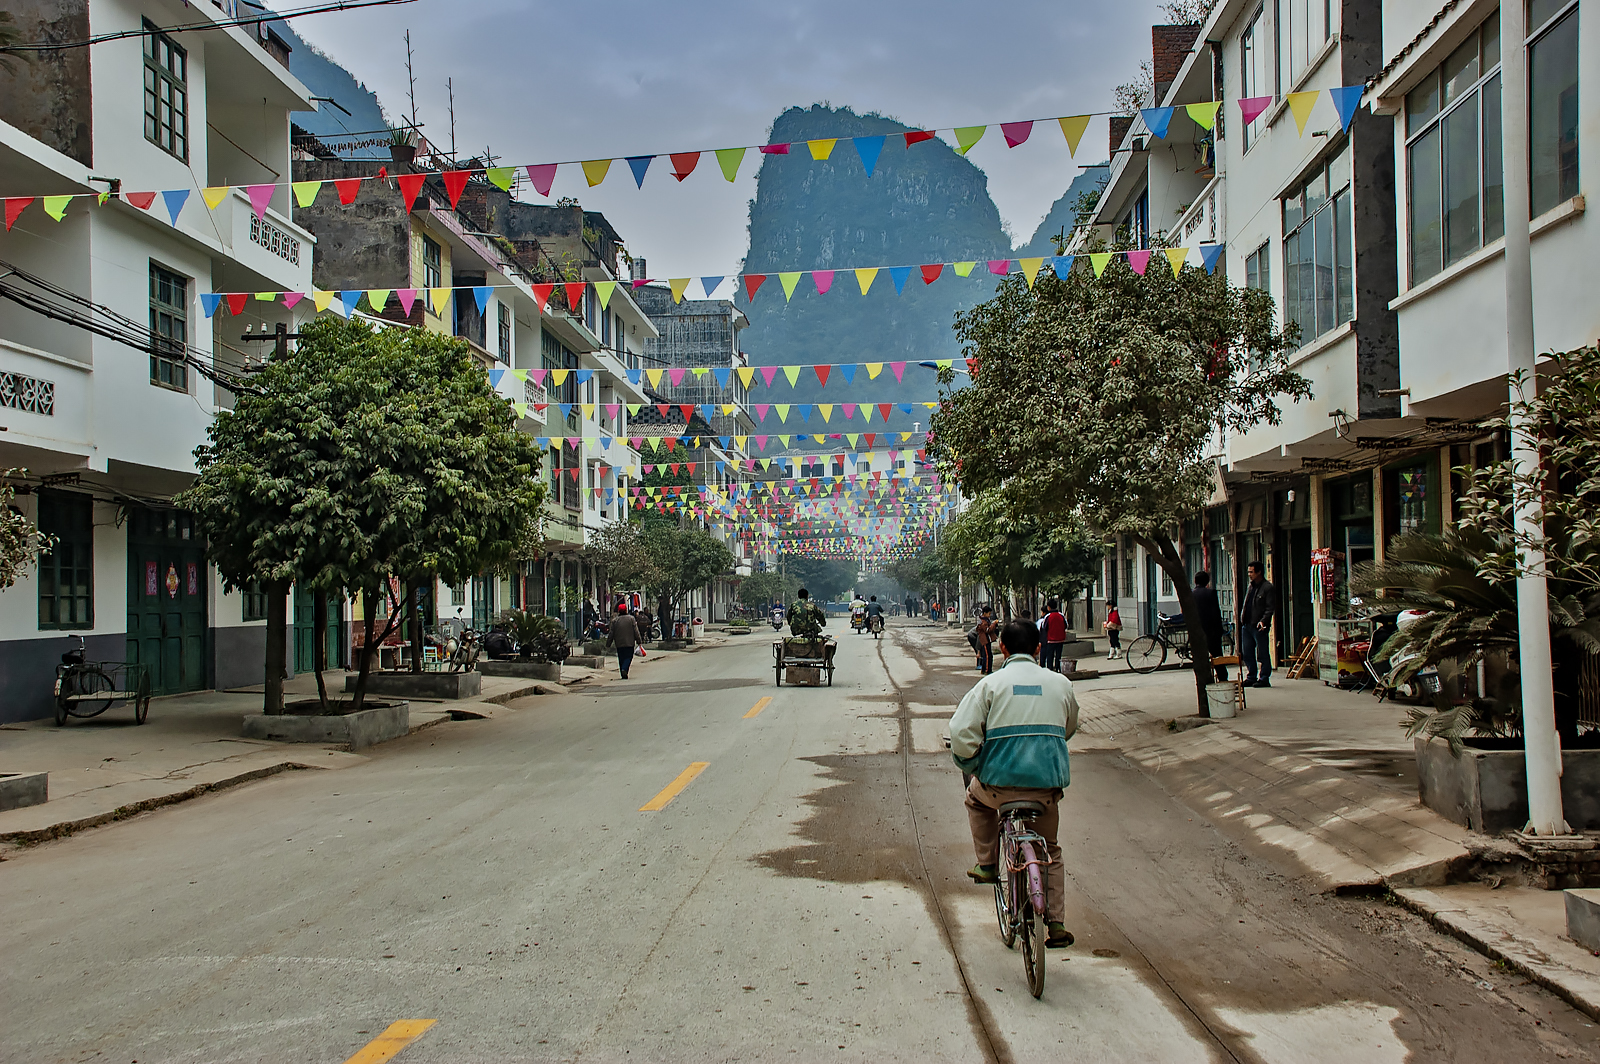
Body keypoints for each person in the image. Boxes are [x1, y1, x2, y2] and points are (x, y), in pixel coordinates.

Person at [950, 618, 1080, 949]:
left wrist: (970, 764)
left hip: (998, 787)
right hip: (1045, 789)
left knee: (974, 800)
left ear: (1001, 648)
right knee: (1050, 847)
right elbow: (1068, 727)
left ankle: (988, 864)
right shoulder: (1060, 684)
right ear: (1039, 648)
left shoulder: (989, 686)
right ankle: (1057, 922)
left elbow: (962, 734)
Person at [1238, 561, 1277, 687]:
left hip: (1259, 625)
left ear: (1259, 572)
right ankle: (1251, 676)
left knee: (1262, 652)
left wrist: (1264, 621)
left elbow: (1270, 608)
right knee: (1247, 652)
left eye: (1251, 572)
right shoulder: (1251, 586)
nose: (1249, 574)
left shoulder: (1267, 587)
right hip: (1247, 624)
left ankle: (1264, 677)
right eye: (1248, 572)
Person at [1191, 571, 1227, 681]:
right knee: (1217, 656)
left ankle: (1204, 679)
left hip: (1197, 631)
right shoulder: (1210, 593)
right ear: (1207, 581)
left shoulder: (1191, 594)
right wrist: (1220, 629)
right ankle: (1222, 678)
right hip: (1212, 631)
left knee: (1201, 658)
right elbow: (1216, 612)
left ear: (1195, 581)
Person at [606, 602, 640, 679]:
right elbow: (636, 631)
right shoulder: (631, 619)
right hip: (629, 643)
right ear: (626, 610)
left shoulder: (615, 621)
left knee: (621, 658)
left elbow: (611, 633)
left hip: (619, 643)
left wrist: (608, 643)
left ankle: (623, 671)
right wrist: (639, 641)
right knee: (628, 657)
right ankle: (624, 669)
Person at [1041, 599, 1068, 673]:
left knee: (1050, 656)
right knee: (1058, 655)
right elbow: (1066, 625)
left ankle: (1050, 669)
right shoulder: (1061, 615)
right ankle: (1057, 668)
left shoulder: (1048, 616)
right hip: (1060, 639)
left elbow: (1044, 627)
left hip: (1051, 640)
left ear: (1048, 607)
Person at [973, 608, 996, 674]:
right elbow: (987, 630)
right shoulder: (982, 621)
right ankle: (987, 670)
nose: (989, 615)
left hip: (987, 639)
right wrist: (993, 624)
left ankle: (984, 669)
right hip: (984, 640)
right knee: (987, 655)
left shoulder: (985, 620)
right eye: (989, 613)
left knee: (987, 655)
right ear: (985, 613)